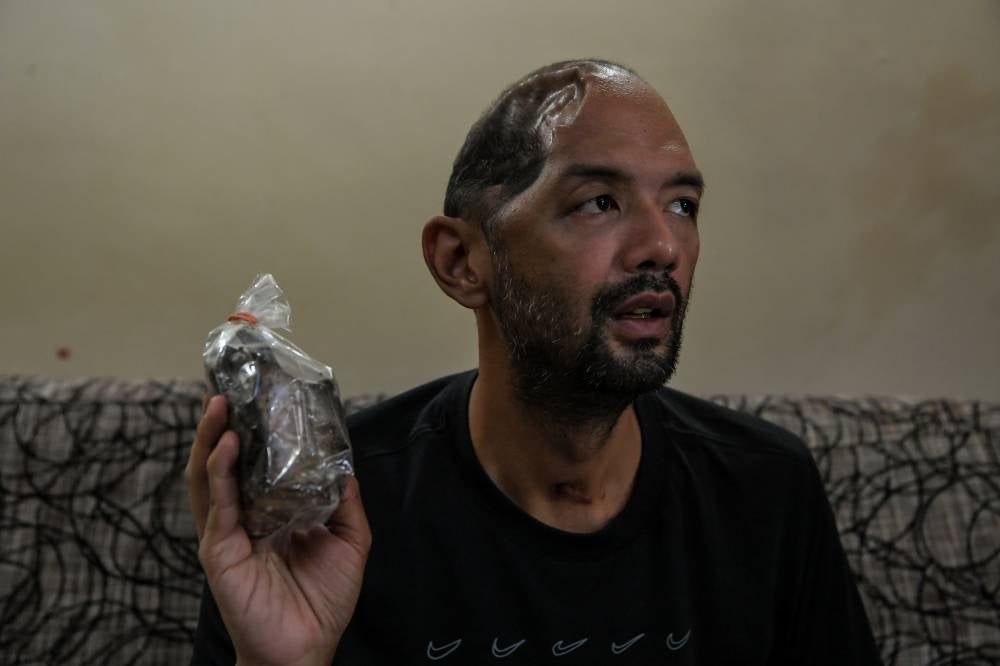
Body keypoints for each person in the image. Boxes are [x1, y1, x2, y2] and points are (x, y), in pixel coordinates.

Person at [187, 59, 881, 665]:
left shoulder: (766, 490)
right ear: (462, 261)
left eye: (682, 204)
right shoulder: (329, 515)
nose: (663, 246)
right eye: (599, 203)